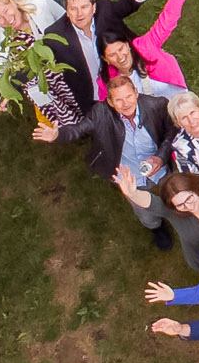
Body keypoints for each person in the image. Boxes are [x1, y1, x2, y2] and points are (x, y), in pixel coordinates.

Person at [36, 74, 177, 245]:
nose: (126, 103)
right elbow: (78, 129)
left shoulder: (157, 105)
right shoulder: (100, 113)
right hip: (129, 175)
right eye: (119, 100)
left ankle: (180, 217)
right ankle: (156, 227)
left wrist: (161, 158)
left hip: (161, 169)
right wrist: (58, 134)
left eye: (129, 96)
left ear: (136, 93)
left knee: (174, 195)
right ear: (110, 102)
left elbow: (171, 132)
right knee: (143, 209)